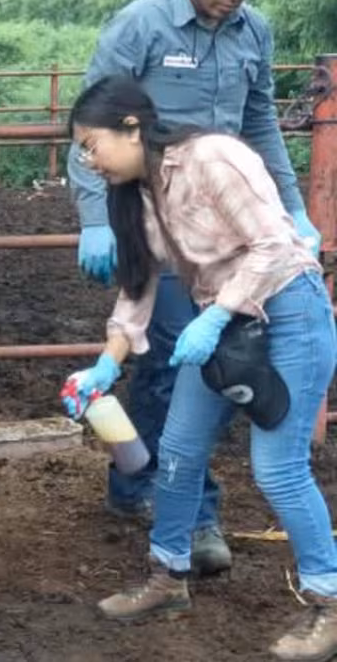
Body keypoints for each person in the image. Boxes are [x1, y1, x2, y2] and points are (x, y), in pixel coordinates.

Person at [63, 74, 337, 661]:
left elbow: (272, 246)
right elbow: (136, 293)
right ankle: (167, 579)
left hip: (288, 312)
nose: (89, 160)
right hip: (223, 322)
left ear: (132, 128)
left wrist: (216, 317)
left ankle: (328, 601)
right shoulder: (136, 197)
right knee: (179, 451)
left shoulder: (213, 157)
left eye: (91, 144)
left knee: (278, 467)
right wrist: (103, 369)